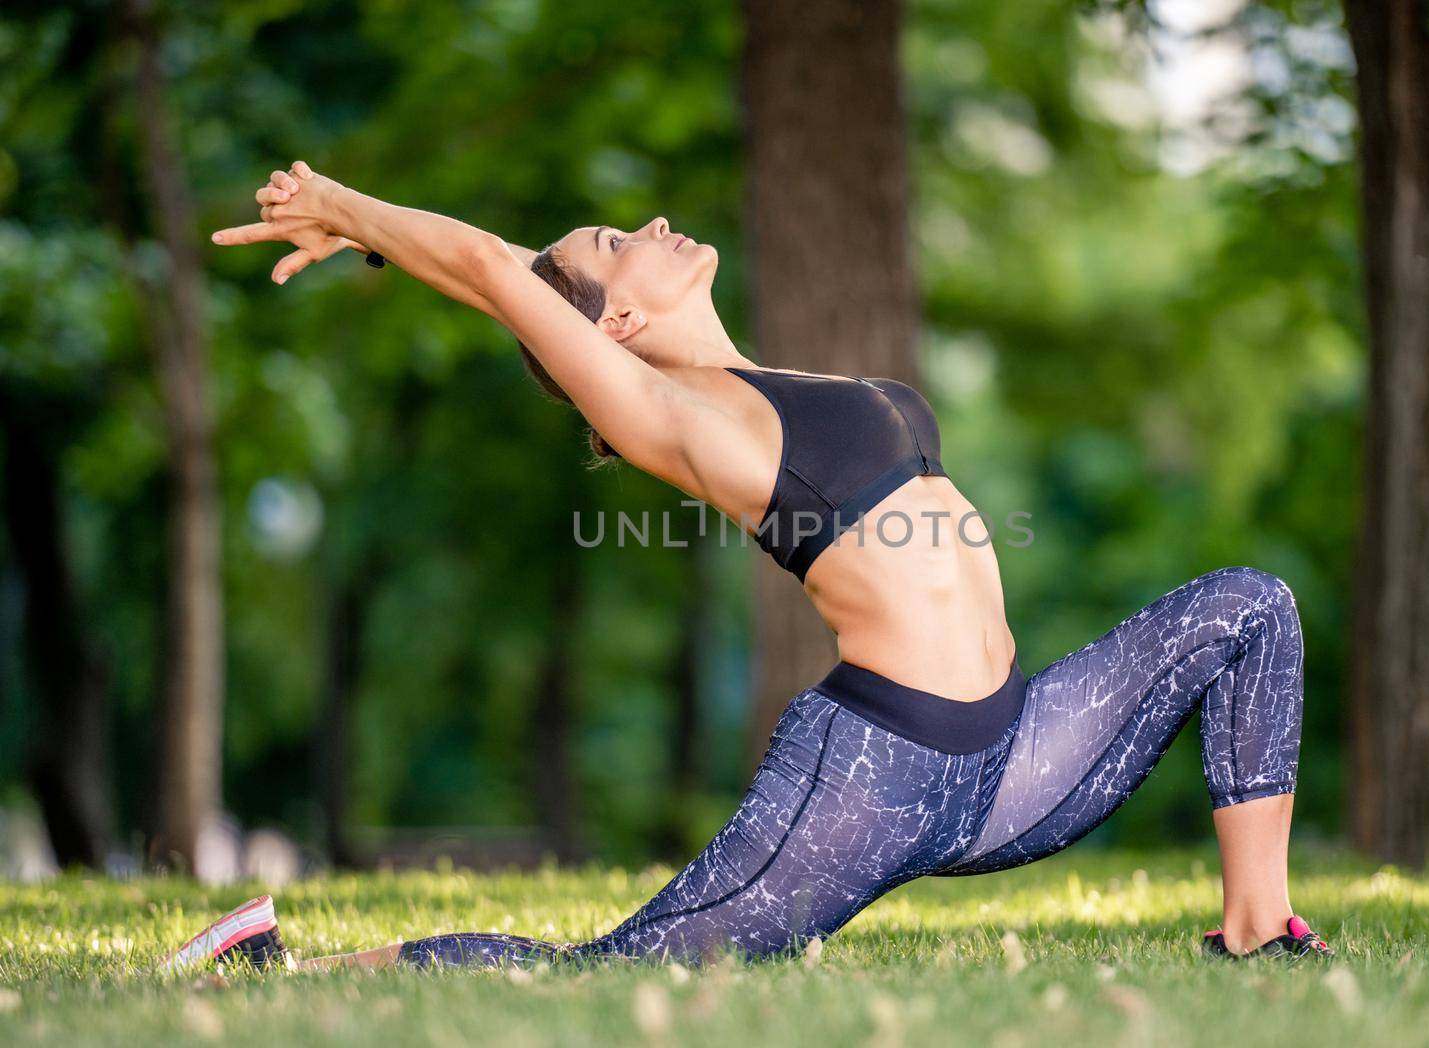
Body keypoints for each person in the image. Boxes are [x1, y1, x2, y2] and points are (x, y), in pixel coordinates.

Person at [166, 161, 1331, 972]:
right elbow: (490, 270)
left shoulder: (765, 383)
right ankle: (275, 966)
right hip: (875, 775)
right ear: (608, 332)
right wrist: (344, 210)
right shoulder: (670, 415)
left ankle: (1254, 931)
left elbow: (522, 273)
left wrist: (399, 236)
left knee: (1247, 611)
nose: (648, 225)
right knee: (611, 970)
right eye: (617, 246)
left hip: (1009, 753)